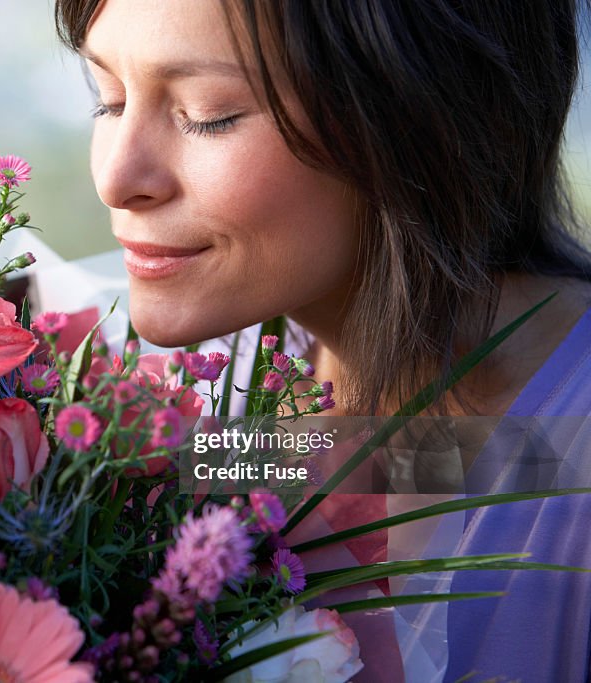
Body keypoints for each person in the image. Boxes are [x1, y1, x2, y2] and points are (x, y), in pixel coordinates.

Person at [53, 1, 591, 681]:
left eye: (207, 111)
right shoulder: (204, 388)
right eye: (110, 99)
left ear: (418, 116)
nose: (116, 178)